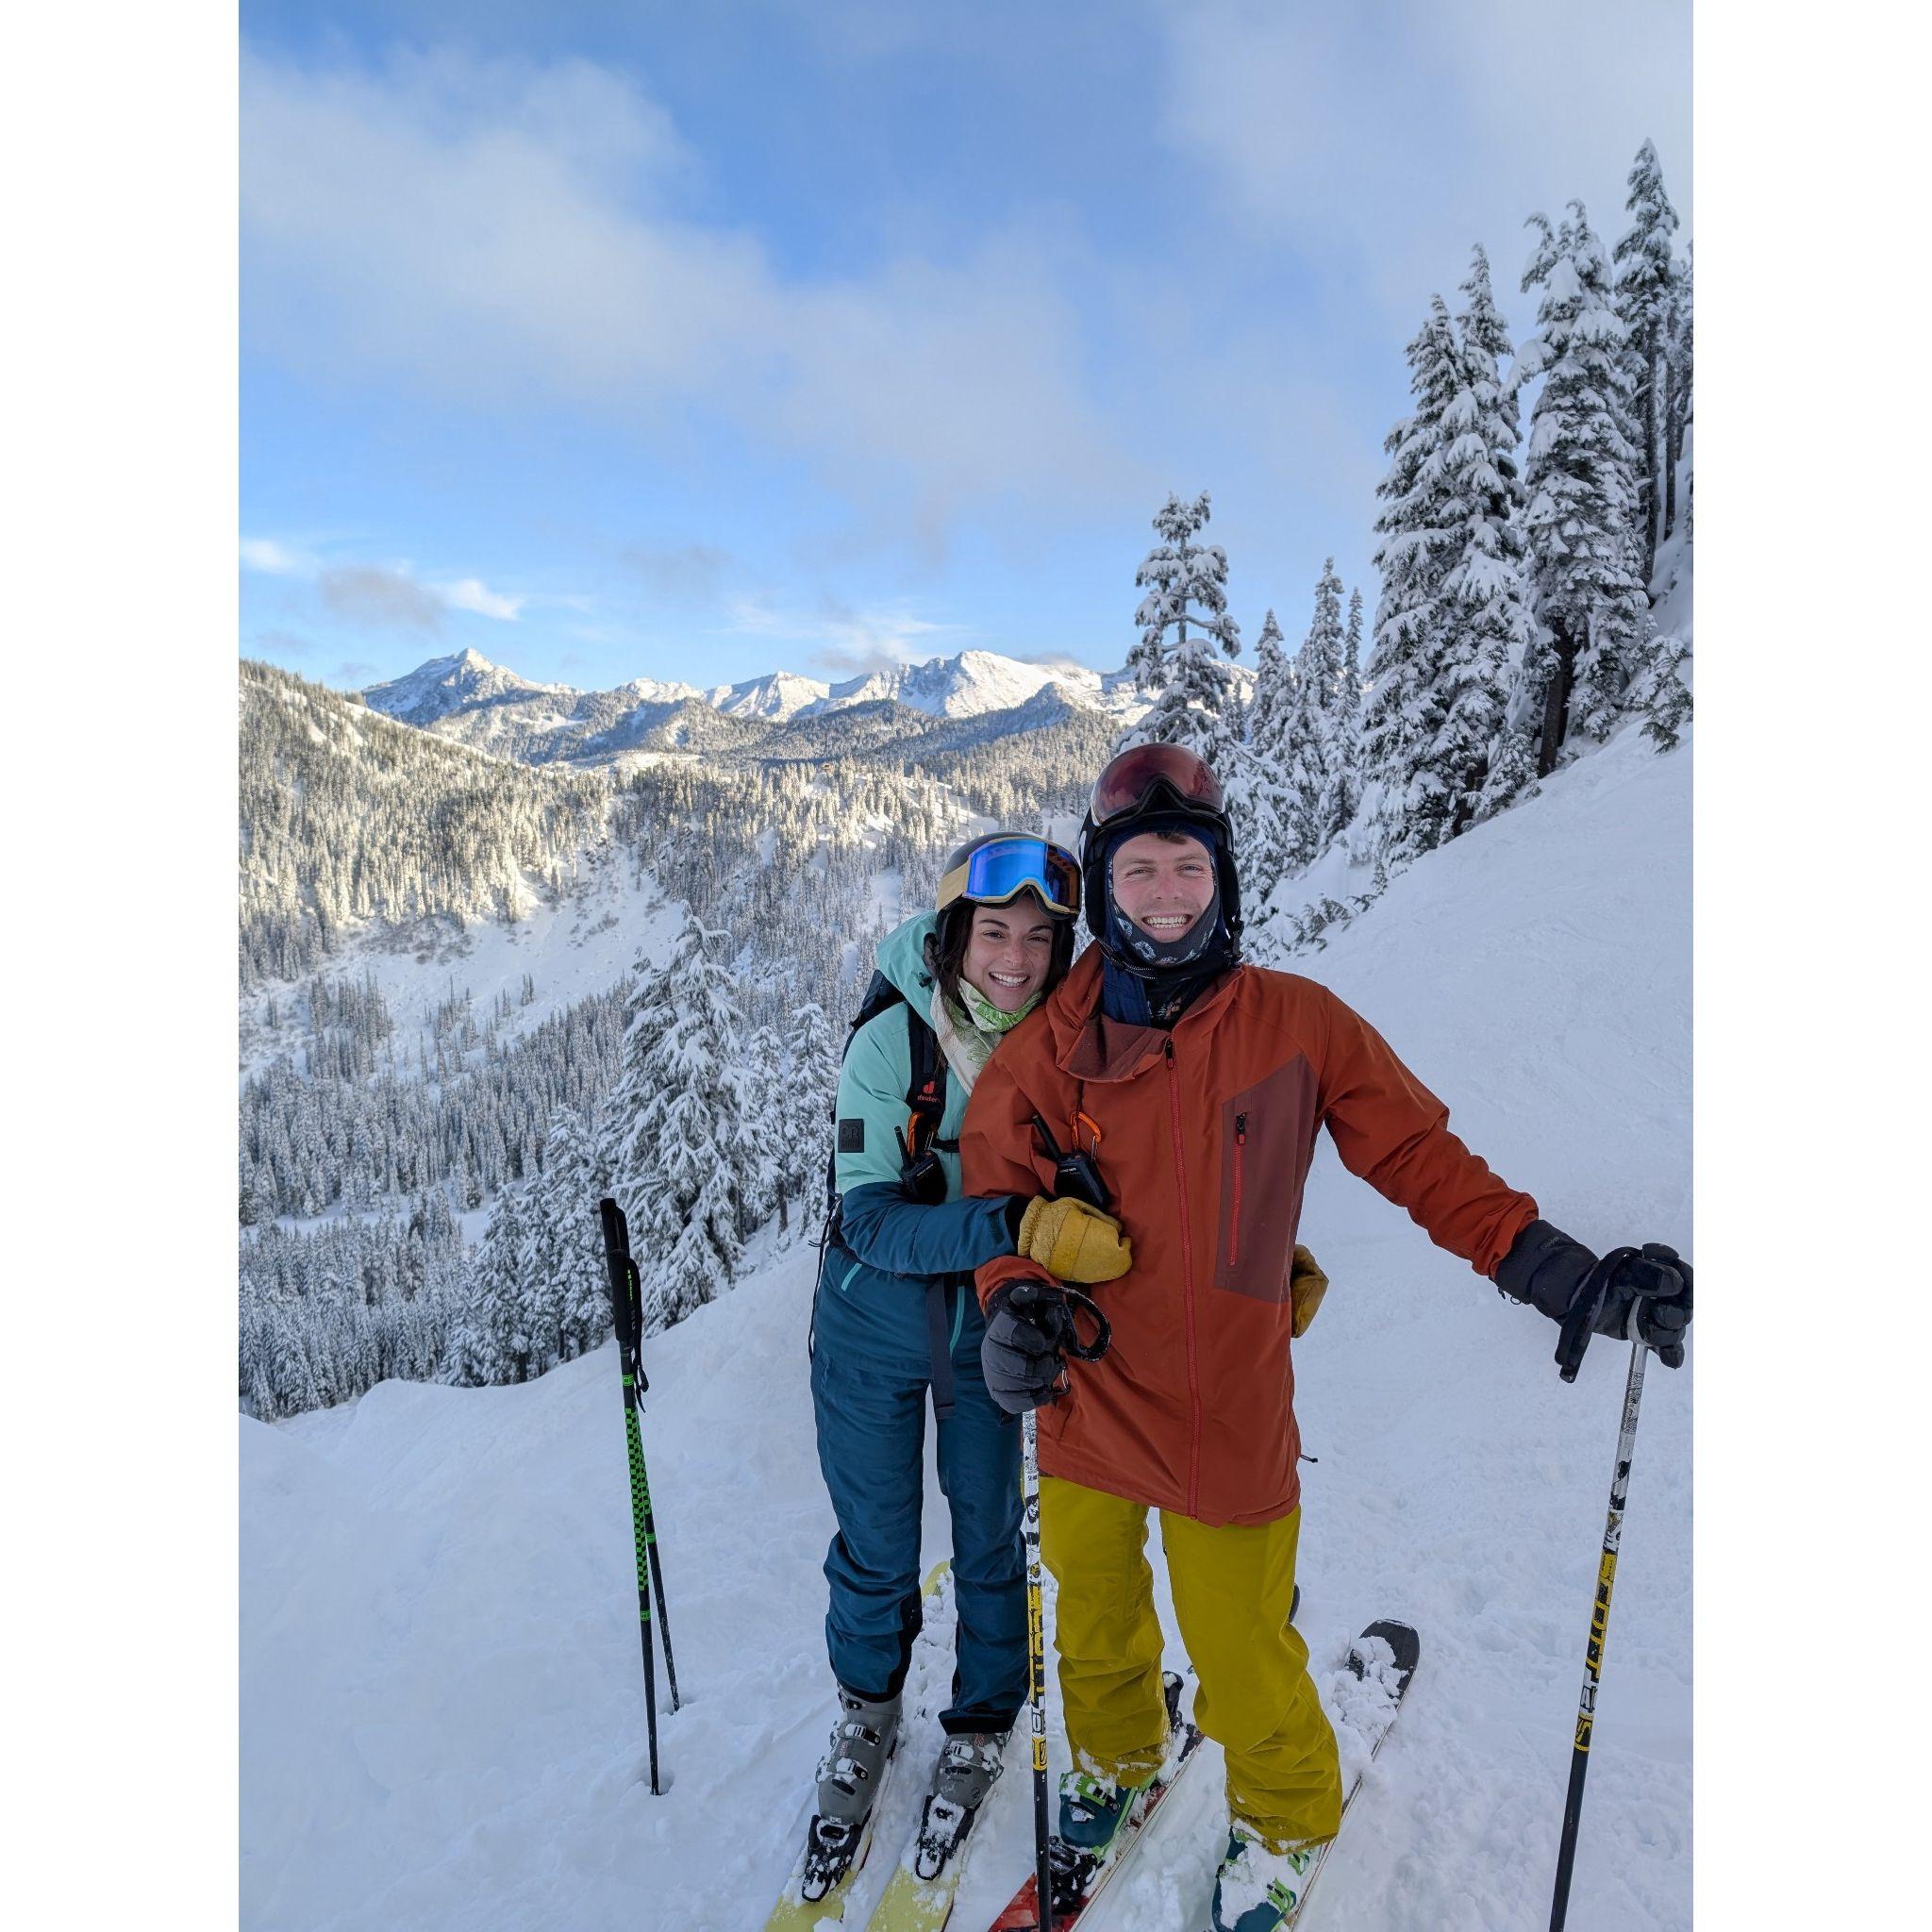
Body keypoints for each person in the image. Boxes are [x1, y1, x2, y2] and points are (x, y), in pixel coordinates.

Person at [958, 744, 1692, 1932]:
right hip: (1083, 1393)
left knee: (1240, 1650)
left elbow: (1416, 1157)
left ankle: (1289, 1814)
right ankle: (1119, 1752)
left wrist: (1560, 1271)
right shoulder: (1049, 1044)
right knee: (1091, 1618)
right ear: (1102, 887)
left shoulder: (1294, 1024)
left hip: (1226, 1412)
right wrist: (1008, 1299)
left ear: (1221, 878)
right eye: (1134, 870)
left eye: (1182, 867)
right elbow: (996, 1184)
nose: (1159, 894)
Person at [797, 832, 1136, 1901]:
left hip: (989, 1330)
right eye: (994, 931)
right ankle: (867, 1709)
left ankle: (982, 1715)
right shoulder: (892, 1037)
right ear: (951, 936)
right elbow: (871, 1221)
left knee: (991, 1531)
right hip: (870, 1328)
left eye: (1040, 937)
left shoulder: (1063, 1037)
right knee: (877, 1541)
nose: (1016, 957)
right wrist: (1014, 1222)